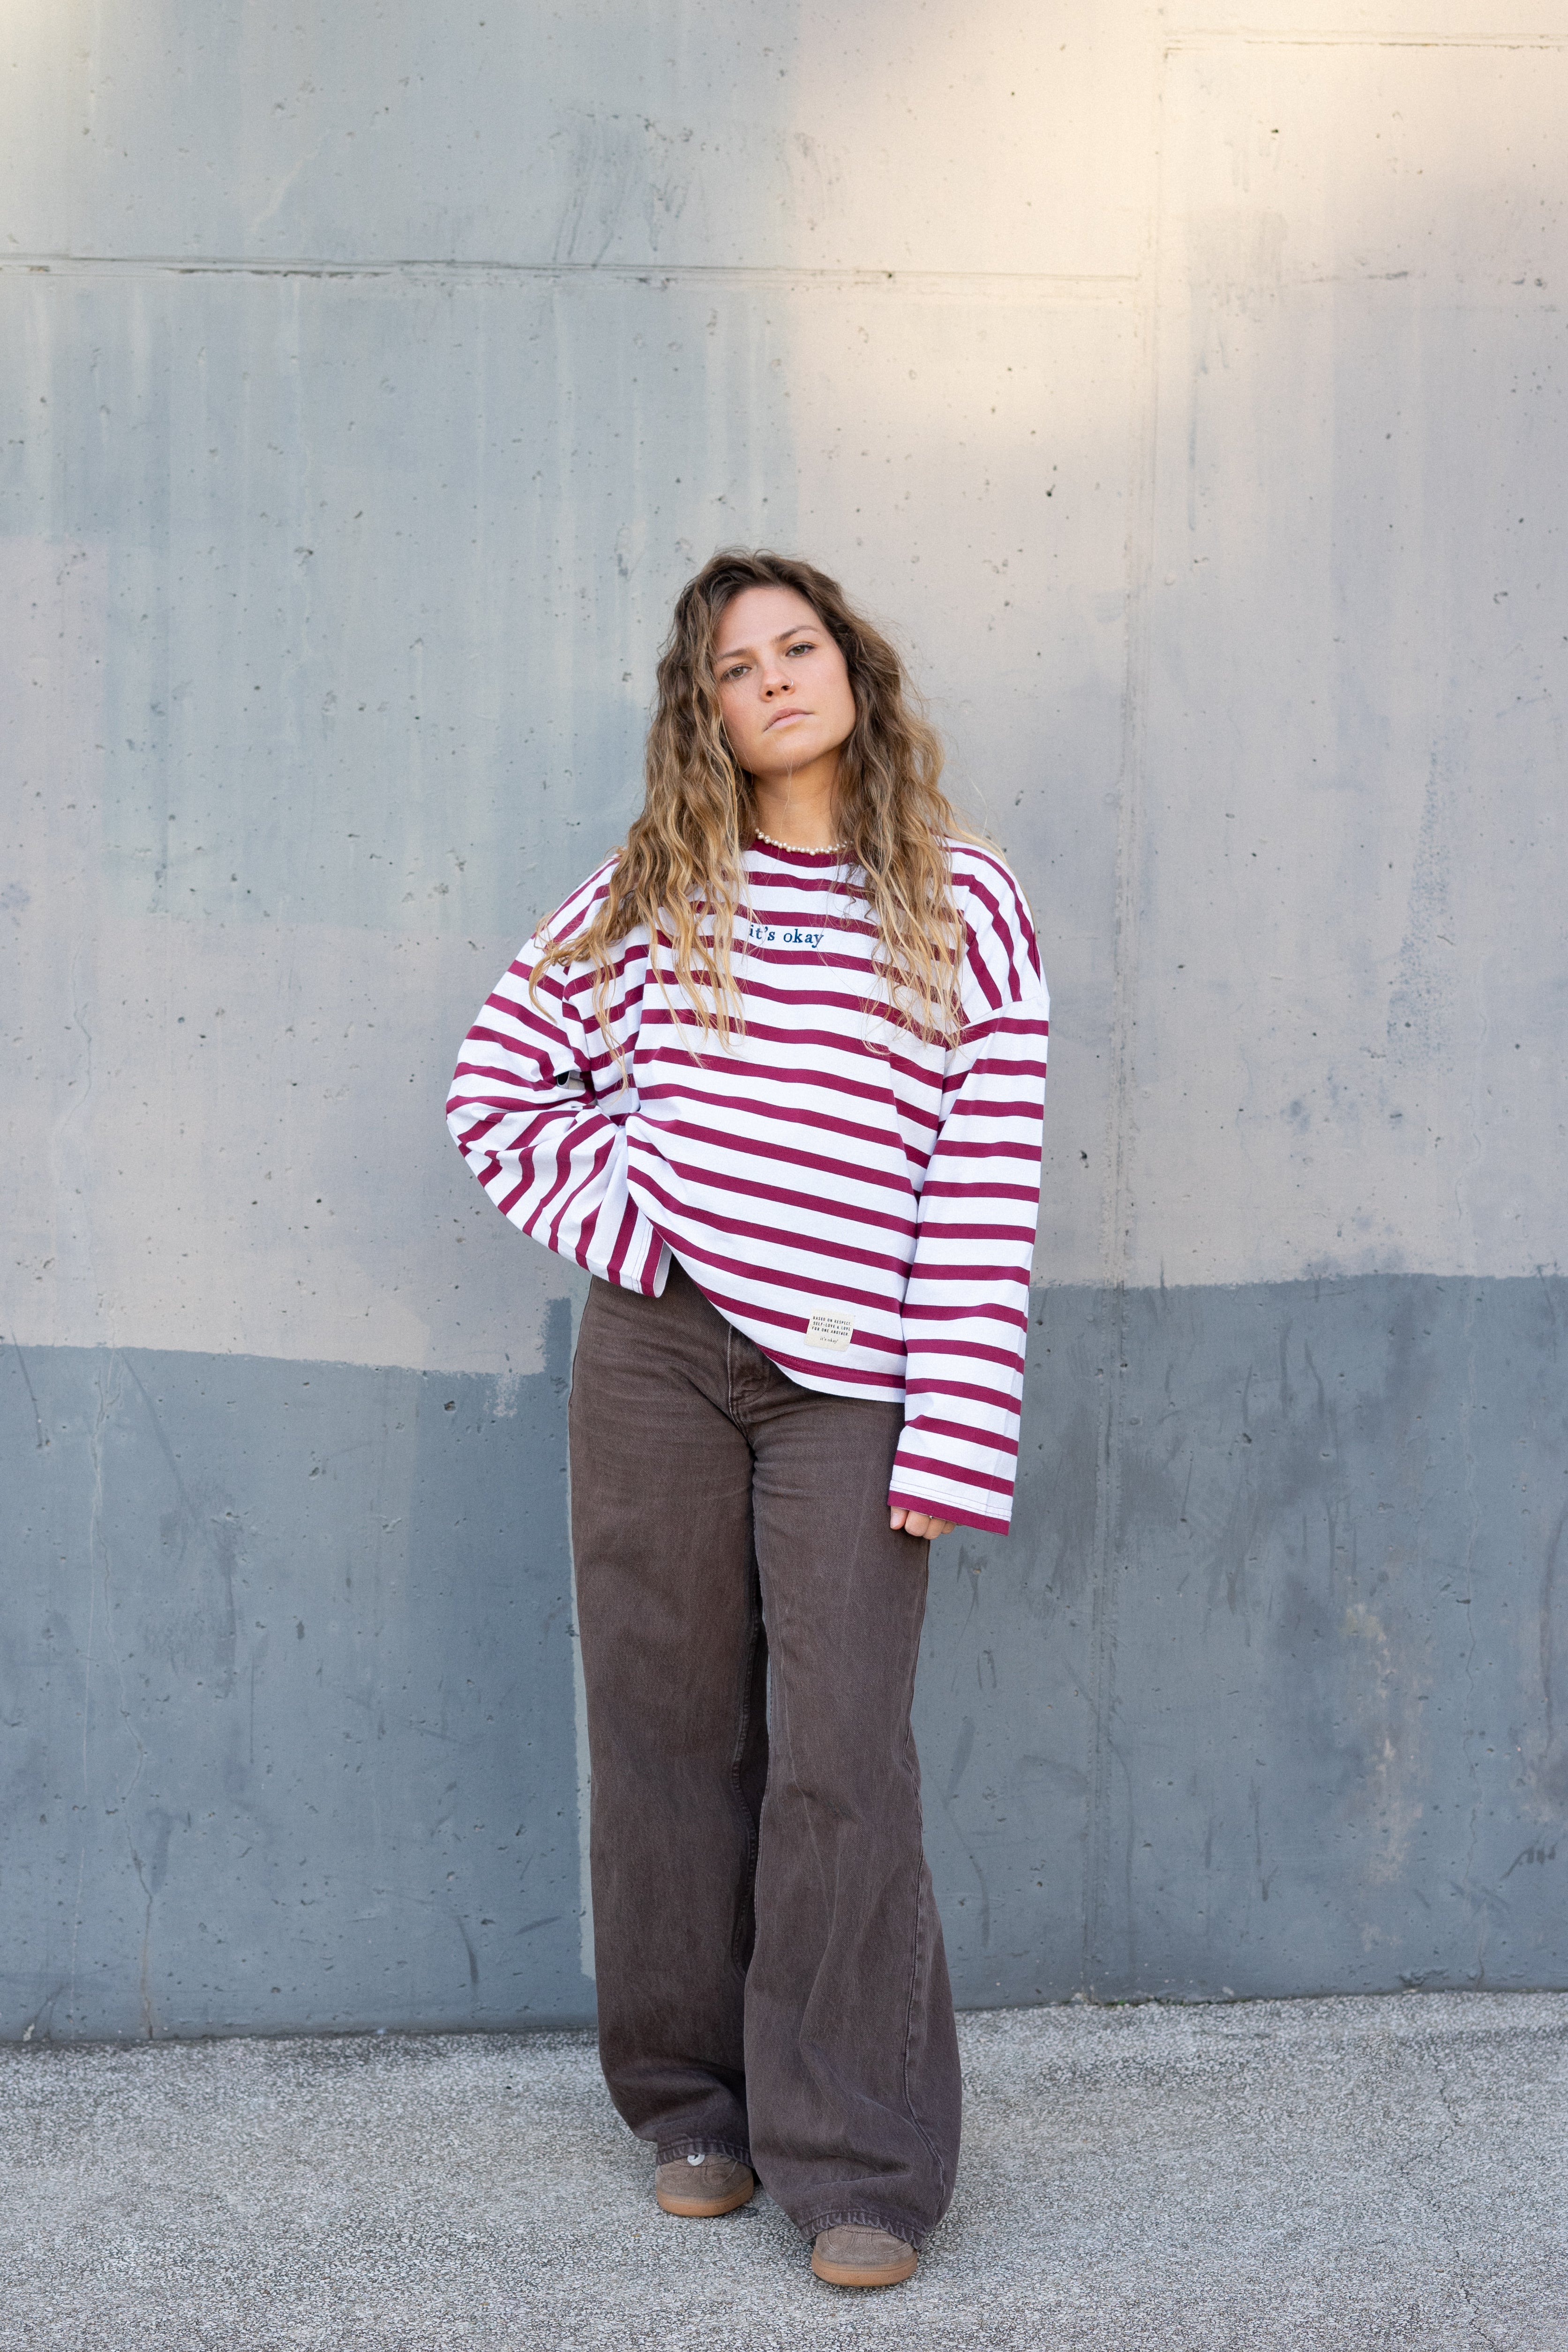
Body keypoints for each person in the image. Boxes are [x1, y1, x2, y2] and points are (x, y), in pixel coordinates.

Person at [446, 549, 1048, 2288]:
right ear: (700, 709)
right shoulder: (654, 882)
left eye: (799, 647)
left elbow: (983, 1187)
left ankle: (858, 2159)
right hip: (657, 1362)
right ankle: (690, 2105)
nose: (773, 678)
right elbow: (499, 1084)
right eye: (734, 665)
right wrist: (649, 1237)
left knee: (842, 1754)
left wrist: (953, 1427)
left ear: (852, 666)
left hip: (852, 1380)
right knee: (664, 1733)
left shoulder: (964, 895)